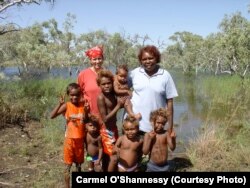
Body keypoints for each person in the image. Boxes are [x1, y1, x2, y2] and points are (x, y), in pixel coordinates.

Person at [126, 45, 178, 134]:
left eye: (151, 58)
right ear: (140, 60)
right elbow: (121, 87)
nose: (147, 61)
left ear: (156, 59)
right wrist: (128, 94)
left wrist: (170, 126)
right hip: (134, 125)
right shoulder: (134, 73)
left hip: (156, 127)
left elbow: (170, 102)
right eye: (144, 59)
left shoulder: (165, 75)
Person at [50, 83, 89, 188]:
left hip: (80, 140)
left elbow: (86, 120)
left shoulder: (83, 105)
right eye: (72, 95)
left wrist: (86, 110)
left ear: (80, 94)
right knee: (67, 166)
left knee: (79, 165)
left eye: (77, 95)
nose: (74, 97)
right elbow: (52, 116)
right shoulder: (66, 106)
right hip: (69, 141)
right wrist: (59, 104)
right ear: (68, 95)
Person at [96, 69, 125, 171]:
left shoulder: (112, 94)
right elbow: (105, 119)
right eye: (103, 84)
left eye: (108, 83)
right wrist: (118, 106)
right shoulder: (101, 98)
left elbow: (118, 104)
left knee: (107, 156)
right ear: (99, 85)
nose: (106, 86)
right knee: (114, 156)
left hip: (114, 129)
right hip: (106, 131)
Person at [77, 45, 104, 116]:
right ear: (90, 60)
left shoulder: (106, 74)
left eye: (99, 58)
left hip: (105, 114)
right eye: (94, 59)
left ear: (102, 59)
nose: (97, 61)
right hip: (89, 114)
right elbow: (78, 94)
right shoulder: (83, 74)